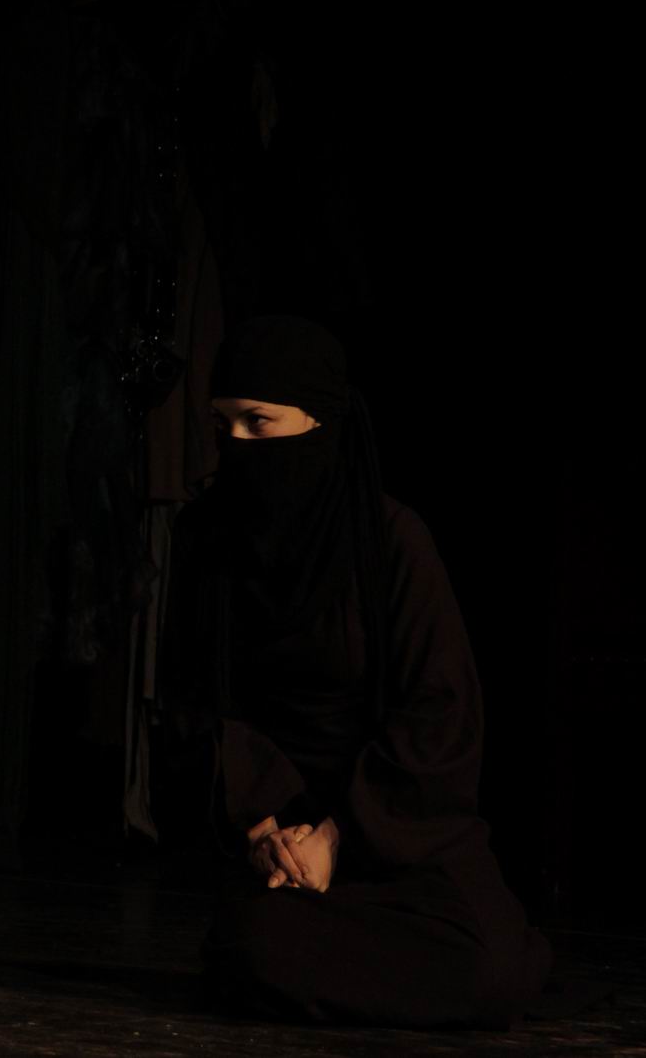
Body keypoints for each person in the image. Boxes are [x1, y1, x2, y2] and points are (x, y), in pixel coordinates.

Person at [162, 316, 551, 1028]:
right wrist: (268, 832)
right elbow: (192, 703)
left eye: (258, 422)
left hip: (392, 827)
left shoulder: (392, 542)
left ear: (318, 423)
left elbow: (440, 711)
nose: (238, 445)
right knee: (256, 946)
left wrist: (337, 838)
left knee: (490, 967)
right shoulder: (206, 539)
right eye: (223, 426)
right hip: (279, 834)